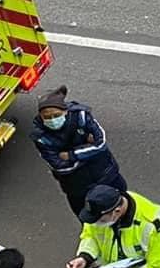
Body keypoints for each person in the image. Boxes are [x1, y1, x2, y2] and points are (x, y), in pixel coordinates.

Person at [31, 88, 125, 219]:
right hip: (78, 189)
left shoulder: (81, 116)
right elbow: (60, 167)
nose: (52, 120)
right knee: (90, 222)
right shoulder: (41, 137)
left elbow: (101, 143)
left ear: (65, 111)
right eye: (47, 117)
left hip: (107, 177)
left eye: (56, 115)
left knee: (123, 211)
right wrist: (90, 151)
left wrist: (71, 155)